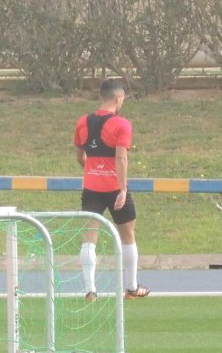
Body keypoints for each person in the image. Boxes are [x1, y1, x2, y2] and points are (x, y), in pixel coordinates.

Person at [75, 77, 150, 301]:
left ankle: (90, 290)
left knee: (89, 239)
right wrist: (122, 189)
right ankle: (132, 288)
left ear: (101, 97)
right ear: (119, 98)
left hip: (91, 188)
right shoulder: (121, 124)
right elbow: (121, 158)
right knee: (128, 236)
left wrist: (92, 170)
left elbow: (80, 157)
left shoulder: (82, 122)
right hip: (115, 189)